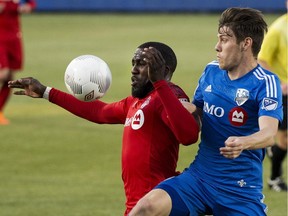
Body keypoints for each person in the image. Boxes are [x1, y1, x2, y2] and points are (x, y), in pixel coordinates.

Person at [8, 42, 200, 215]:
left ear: (162, 70)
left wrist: (160, 83)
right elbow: (100, 112)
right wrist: (45, 92)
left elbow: (189, 135)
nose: (133, 70)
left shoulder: (170, 94)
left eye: (142, 64)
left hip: (157, 204)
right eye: (133, 63)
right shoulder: (135, 102)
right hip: (137, 205)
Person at [129, 7, 283, 216]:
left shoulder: (266, 82)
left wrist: (243, 142)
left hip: (240, 190)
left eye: (224, 39)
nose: (217, 47)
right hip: (199, 179)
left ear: (246, 43)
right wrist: (167, 107)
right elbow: (198, 111)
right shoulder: (211, 71)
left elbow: (269, 134)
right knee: (146, 207)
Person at [258, 1, 288, 192]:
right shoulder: (278, 29)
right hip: (285, 93)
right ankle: (275, 177)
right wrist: (278, 84)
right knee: (284, 140)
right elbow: (262, 60)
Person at [0, 0, 36, 125]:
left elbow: (31, 3)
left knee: (9, 78)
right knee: (4, 74)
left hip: (14, 38)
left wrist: (28, 7)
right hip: (1, 39)